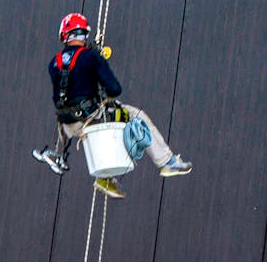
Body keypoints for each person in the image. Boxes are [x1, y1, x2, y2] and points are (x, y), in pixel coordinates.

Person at [32, 12, 191, 199]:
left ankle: (104, 177)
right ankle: (166, 162)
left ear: (64, 35)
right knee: (136, 115)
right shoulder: (91, 58)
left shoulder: (54, 63)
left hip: (68, 126)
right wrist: (100, 63)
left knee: (95, 129)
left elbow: (72, 85)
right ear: (84, 34)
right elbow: (114, 89)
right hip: (91, 117)